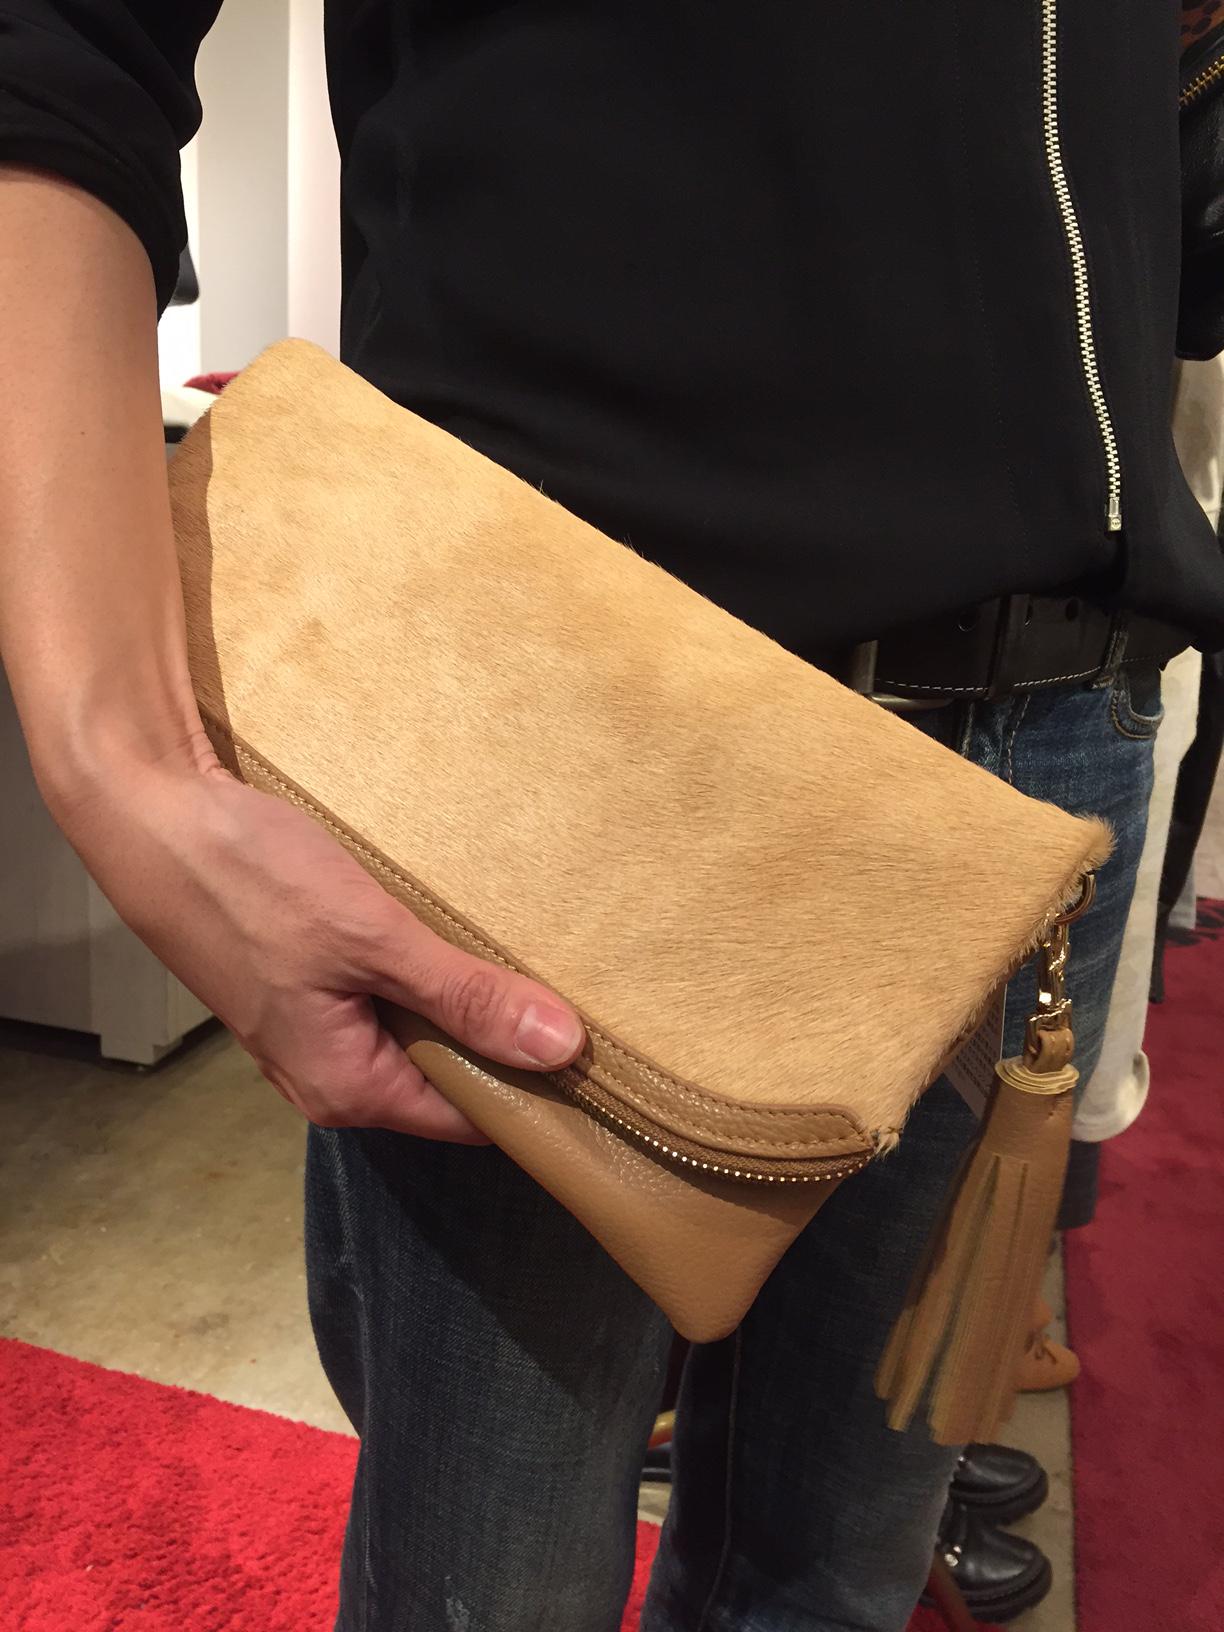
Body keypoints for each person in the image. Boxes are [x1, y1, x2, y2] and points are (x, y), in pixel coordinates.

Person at [1, 8, 1222, 1630]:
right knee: (490, 1580)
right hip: (573, 737)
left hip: (1046, 739)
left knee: (838, 1575)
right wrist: (116, 757)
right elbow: (62, 49)